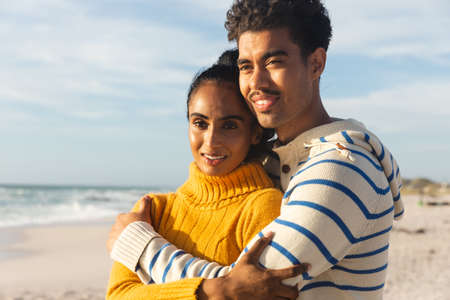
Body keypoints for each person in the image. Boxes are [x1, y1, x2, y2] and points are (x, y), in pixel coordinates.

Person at [108, 1, 404, 299]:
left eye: (274, 62)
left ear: (316, 63)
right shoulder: (275, 161)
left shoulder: (340, 170)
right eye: (246, 66)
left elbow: (245, 288)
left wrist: (140, 245)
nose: (256, 82)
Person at [106, 62, 308, 300]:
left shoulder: (263, 206)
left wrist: (211, 291)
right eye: (200, 123)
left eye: (229, 125)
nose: (211, 141)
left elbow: (259, 292)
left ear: (254, 133)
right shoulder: (154, 209)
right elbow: (119, 295)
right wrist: (216, 290)